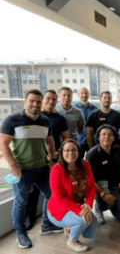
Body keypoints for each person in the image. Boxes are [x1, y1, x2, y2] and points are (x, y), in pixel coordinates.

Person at [0, 89, 62, 249]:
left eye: (38, 101)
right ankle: (20, 232)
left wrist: (52, 158)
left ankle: (47, 225)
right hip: (22, 170)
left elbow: (49, 141)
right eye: (32, 101)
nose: (35, 104)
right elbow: (3, 144)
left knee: (51, 194)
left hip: (42, 167)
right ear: (25, 102)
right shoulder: (12, 120)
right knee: (21, 202)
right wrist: (13, 165)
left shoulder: (44, 121)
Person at [25, 89, 70, 230]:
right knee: (32, 192)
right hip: (34, 159)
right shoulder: (34, 116)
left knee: (52, 191)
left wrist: (58, 152)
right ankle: (29, 218)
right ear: (43, 100)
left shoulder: (60, 118)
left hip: (53, 159)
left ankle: (51, 220)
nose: (51, 102)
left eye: (54, 100)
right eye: (48, 99)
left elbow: (66, 138)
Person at [47, 139, 100, 253]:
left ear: (79, 152)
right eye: (67, 150)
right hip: (59, 209)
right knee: (83, 221)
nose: (70, 153)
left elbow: (92, 187)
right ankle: (72, 240)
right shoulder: (56, 170)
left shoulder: (85, 164)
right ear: (61, 153)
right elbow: (59, 198)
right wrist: (80, 210)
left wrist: (88, 205)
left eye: (73, 150)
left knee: (93, 233)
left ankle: (70, 226)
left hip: (79, 205)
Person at [86, 125, 120, 224]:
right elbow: (88, 178)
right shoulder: (92, 154)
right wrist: (102, 194)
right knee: (105, 203)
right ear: (98, 137)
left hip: (115, 186)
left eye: (110, 135)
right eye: (103, 134)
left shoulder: (118, 150)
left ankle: (114, 200)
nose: (106, 137)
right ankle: (99, 208)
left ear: (114, 137)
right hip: (100, 187)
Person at [73, 87, 98, 156]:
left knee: (93, 160)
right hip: (78, 140)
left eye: (86, 93)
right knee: (78, 161)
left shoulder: (94, 108)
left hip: (92, 140)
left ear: (89, 95)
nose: (84, 95)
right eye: (82, 93)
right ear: (78, 94)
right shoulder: (73, 108)